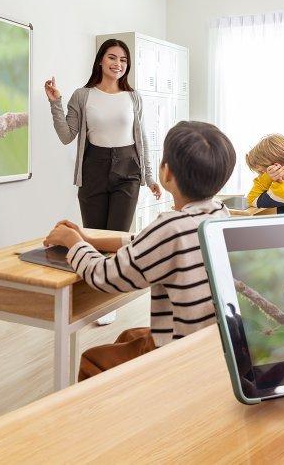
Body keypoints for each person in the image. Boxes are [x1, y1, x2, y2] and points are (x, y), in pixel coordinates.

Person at [41, 120, 236, 379]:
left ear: (166, 172)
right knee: (128, 336)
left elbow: (106, 276)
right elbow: (146, 242)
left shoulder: (171, 227)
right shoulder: (220, 215)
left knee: (93, 361)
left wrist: (73, 243)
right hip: (213, 341)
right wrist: (88, 239)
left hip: (180, 351)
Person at [46, 39, 161, 232]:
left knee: (116, 237)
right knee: (94, 237)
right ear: (100, 60)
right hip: (93, 171)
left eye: (123, 60)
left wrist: (149, 177)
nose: (118, 64)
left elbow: (142, 139)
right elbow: (66, 136)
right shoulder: (82, 95)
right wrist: (55, 103)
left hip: (128, 171)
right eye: (112, 58)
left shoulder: (133, 97)